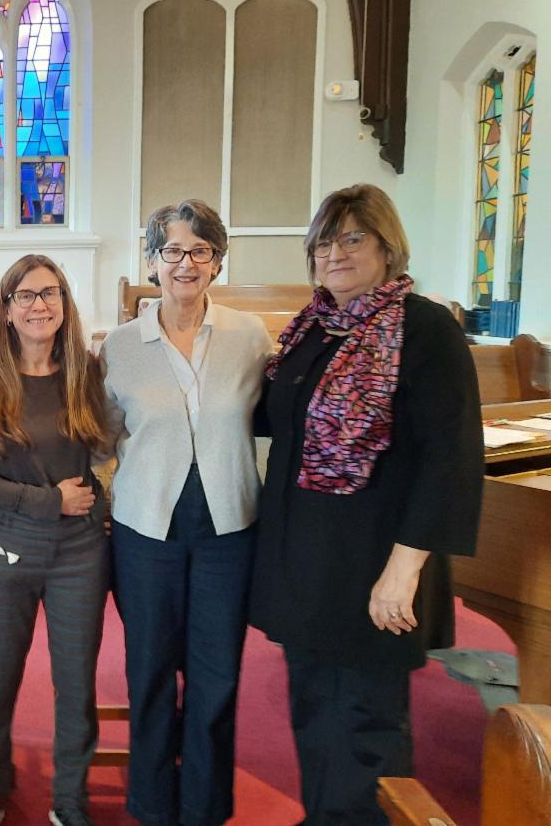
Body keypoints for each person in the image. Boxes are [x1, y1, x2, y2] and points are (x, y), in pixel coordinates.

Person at [250, 184, 483, 824]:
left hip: (376, 562)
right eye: (324, 242)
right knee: (312, 704)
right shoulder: (313, 328)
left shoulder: (423, 328)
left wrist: (404, 572)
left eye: (353, 238)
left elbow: (450, 458)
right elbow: (272, 421)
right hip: (306, 560)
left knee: (366, 718)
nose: (336, 253)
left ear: (387, 247)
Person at [102, 200, 272, 826]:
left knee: (216, 675)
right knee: (149, 671)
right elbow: (100, 436)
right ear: (152, 260)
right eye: (172, 250)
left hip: (228, 530)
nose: (186, 263)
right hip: (147, 530)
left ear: (217, 262)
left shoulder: (249, 337)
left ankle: (203, 808)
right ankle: (151, 805)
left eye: (200, 251)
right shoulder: (120, 345)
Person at [0, 255, 112, 826]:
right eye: (25, 295)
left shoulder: (87, 372)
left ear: (65, 304)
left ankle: (70, 798)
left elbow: (109, 451)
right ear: (6, 310)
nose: (39, 305)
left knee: (76, 683)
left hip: (79, 553)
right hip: (6, 550)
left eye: (50, 293)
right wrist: (49, 502)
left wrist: (101, 499)